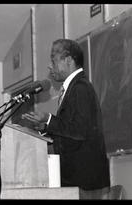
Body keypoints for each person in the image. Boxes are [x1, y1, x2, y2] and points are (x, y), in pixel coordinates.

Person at [22, 39, 110, 199]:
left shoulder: (80, 88)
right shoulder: (73, 87)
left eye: (53, 59)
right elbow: (71, 130)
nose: (50, 66)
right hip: (77, 179)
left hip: (83, 181)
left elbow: (79, 130)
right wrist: (44, 132)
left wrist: (48, 118)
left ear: (68, 60)